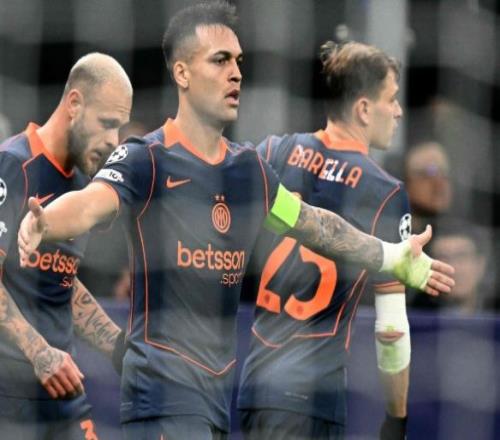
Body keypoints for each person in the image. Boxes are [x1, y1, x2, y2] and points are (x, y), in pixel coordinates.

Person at [17, 3, 453, 439]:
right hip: (161, 398)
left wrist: (391, 256)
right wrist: (45, 222)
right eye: (220, 60)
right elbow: (91, 203)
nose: (236, 74)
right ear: (182, 73)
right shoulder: (145, 158)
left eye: (239, 62)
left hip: (218, 404)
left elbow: (314, 225)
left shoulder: (250, 170)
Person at [236, 41, 416, 440]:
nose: (399, 111)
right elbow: (391, 330)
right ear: (364, 109)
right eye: (392, 99)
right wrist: (397, 418)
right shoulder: (385, 192)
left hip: (255, 388)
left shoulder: (274, 151)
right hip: (311, 399)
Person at [0, 53, 132, 439]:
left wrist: (119, 346)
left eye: (120, 128)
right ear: (74, 103)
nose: (113, 141)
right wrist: (40, 352)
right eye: (107, 124)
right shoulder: (13, 165)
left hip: (63, 393)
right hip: (9, 396)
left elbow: (60, 279)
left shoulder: (82, 186)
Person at [411, 220, 488, 314]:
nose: (454, 268)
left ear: (480, 264)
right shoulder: (412, 314)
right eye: (443, 257)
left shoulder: (494, 312)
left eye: (462, 256)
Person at [404, 141, 452, 234]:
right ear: (408, 181)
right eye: (430, 173)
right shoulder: (394, 231)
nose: (439, 183)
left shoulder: (458, 233)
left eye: (444, 173)